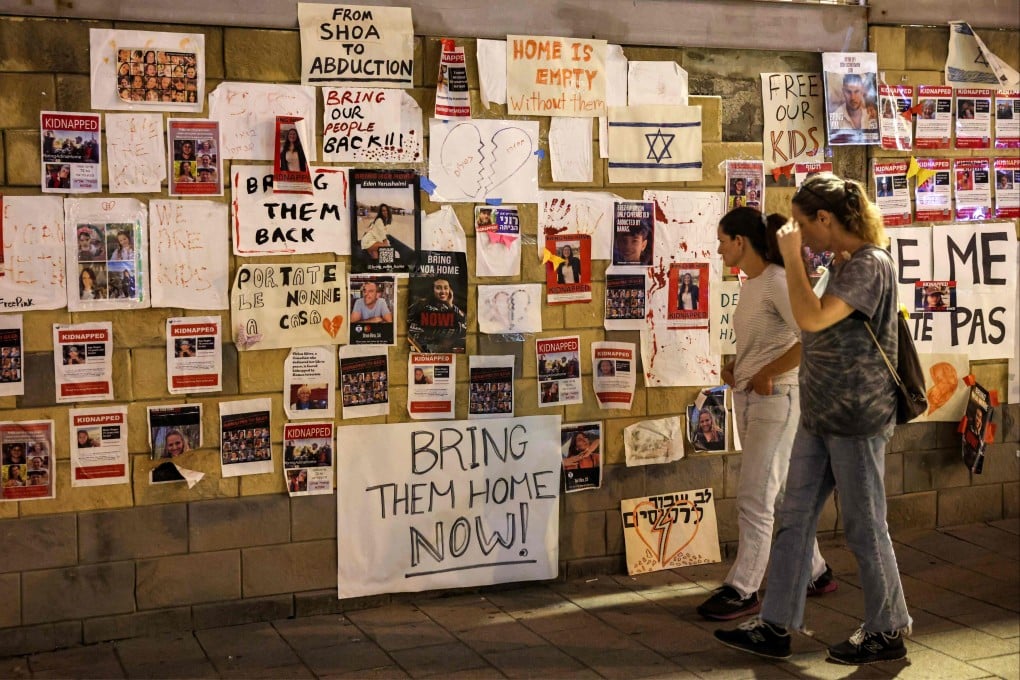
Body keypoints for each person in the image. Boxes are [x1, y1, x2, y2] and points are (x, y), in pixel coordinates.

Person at [715, 174, 911, 665]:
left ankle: (887, 631)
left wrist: (794, 260)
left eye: (804, 224)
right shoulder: (843, 263)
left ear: (826, 219)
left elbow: (813, 318)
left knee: (865, 528)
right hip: (820, 416)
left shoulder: (870, 265)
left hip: (857, 417)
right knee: (794, 518)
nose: (798, 232)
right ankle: (776, 625)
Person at [697, 206, 834, 621]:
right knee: (776, 493)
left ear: (741, 242)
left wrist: (768, 374)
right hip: (755, 397)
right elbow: (766, 341)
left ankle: (744, 588)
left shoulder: (776, 281)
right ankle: (816, 572)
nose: (719, 249)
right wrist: (739, 367)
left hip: (778, 400)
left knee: (755, 496)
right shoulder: (753, 283)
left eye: (722, 241)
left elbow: (812, 334)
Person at [407, 278, 467, 353]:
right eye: (438, 288)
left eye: (446, 288)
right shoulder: (420, 305)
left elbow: (464, 325)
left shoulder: (448, 307)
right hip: (420, 349)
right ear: (432, 290)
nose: (443, 291)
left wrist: (450, 304)